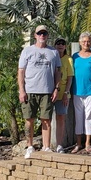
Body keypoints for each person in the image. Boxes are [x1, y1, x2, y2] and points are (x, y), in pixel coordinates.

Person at [18, 25, 62, 159]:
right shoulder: (27, 51)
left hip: (47, 91)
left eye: (44, 33)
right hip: (30, 90)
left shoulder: (53, 52)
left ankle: (46, 147)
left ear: (47, 35)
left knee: (46, 120)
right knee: (29, 120)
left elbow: (58, 72)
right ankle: (30, 146)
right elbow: (21, 72)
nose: (42, 36)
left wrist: (56, 88)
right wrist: (22, 90)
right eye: (39, 33)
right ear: (35, 35)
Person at [70, 32, 91, 153]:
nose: (86, 43)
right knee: (78, 118)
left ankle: (88, 143)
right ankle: (78, 143)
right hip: (77, 91)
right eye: (84, 41)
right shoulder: (75, 57)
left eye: (88, 41)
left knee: (89, 117)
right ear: (80, 42)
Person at [53, 37, 73, 153]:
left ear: (65, 46)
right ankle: (47, 145)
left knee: (61, 118)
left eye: (62, 44)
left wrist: (66, 92)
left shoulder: (68, 59)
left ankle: (59, 145)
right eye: (58, 43)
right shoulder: (52, 57)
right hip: (51, 93)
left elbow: (70, 78)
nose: (60, 45)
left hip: (63, 93)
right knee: (47, 119)